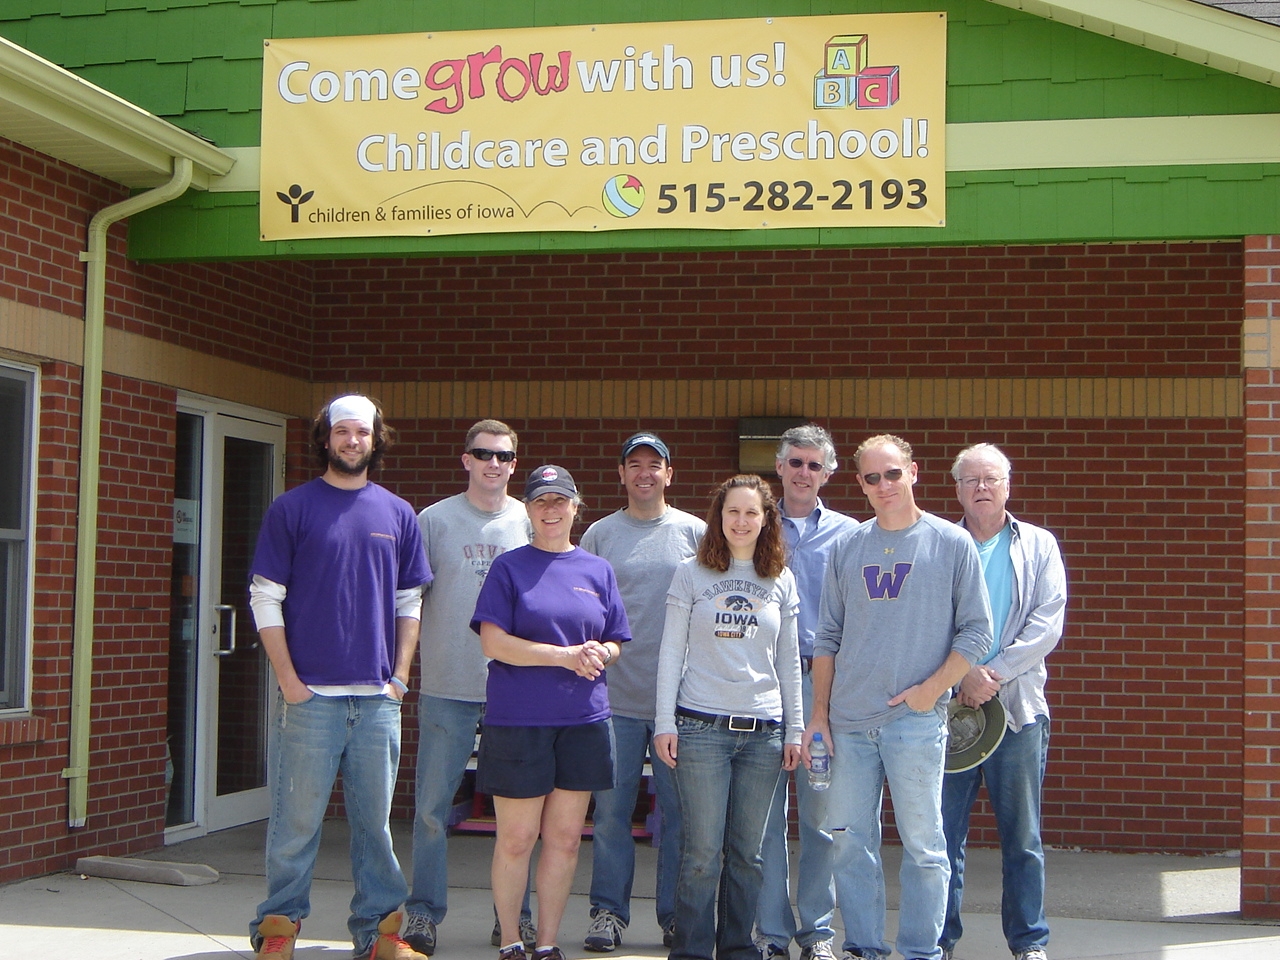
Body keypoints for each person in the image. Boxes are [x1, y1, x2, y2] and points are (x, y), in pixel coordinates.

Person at [246, 395, 433, 960]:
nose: (353, 441)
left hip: (376, 700)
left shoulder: (397, 514)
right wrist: (289, 680)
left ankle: (380, 936)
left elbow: (410, 601)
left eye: (363, 432)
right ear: (325, 438)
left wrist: (399, 677)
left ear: (378, 439)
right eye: (342, 431)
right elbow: (265, 598)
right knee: (295, 824)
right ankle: (277, 931)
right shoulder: (292, 509)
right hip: (310, 700)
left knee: (375, 828)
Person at [807, 435, 993, 960]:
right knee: (848, 841)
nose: (884, 485)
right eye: (872, 477)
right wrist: (818, 715)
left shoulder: (950, 543)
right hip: (848, 721)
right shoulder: (848, 547)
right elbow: (828, 639)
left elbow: (978, 632)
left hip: (915, 722)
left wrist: (930, 692)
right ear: (860, 484)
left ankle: (920, 952)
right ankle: (863, 948)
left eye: (893, 474)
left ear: (914, 472)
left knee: (926, 848)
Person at [472, 465, 631, 960]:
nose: (552, 510)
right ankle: (512, 941)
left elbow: (616, 639)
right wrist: (564, 655)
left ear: (576, 507)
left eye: (560, 500)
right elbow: (493, 643)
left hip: (582, 721)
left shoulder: (596, 569)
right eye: (541, 502)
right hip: (518, 721)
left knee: (564, 841)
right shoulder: (509, 568)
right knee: (517, 839)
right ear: (529, 510)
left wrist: (602, 654)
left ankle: (546, 943)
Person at [654, 474, 804, 960]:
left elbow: (789, 661)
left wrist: (795, 729)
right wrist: (664, 721)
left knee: (748, 855)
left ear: (766, 520)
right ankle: (692, 950)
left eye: (752, 513)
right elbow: (670, 652)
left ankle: (739, 947)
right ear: (719, 517)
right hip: (701, 730)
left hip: (764, 734)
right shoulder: (691, 572)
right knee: (701, 854)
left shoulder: (780, 577)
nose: (741, 521)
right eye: (732, 512)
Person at [404, 419, 535, 957]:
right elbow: (406, 602)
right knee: (433, 808)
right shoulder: (431, 521)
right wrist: (401, 671)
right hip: (446, 685)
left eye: (504, 456)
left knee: (521, 817)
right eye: (483, 454)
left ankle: (514, 921)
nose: (494, 464)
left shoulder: (530, 521)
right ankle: (423, 915)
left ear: (513, 464)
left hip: (515, 691)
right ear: (465, 460)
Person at [939, 444, 1067, 960]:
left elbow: (1048, 621)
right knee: (942, 837)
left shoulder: (1039, 544)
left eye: (991, 479)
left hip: (1016, 710)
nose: (982, 489)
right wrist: (962, 674)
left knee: (1023, 837)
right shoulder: (941, 543)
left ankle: (1029, 942)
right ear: (957, 490)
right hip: (948, 710)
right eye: (971, 481)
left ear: (1008, 485)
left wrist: (991, 674)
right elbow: (924, 621)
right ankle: (938, 940)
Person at [580, 432, 705, 953]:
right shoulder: (599, 535)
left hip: (680, 704)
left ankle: (675, 918)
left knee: (679, 817)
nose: (645, 473)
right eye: (635, 464)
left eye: (655, 464)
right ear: (622, 473)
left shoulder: (697, 533)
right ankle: (607, 914)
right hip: (615, 701)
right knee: (611, 815)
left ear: (669, 474)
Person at [756, 425, 859, 960]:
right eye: (795, 462)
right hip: (763, 687)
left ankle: (817, 933)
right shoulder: (749, 525)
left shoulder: (850, 534)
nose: (803, 472)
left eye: (814, 465)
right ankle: (771, 935)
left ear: (828, 472)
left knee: (820, 819)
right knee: (766, 819)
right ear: (780, 466)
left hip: (823, 687)